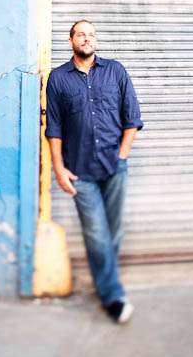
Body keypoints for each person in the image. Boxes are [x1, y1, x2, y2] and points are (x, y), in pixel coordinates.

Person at [45, 19, 143, 323]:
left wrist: (122, 156)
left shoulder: (116, 71)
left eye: (91, 34)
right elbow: (54, 128)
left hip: (114, 167)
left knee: (113, 232)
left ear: (95, 40)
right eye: (80, 34)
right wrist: (59, 168)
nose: (86, 38)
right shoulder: (58, 79)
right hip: (80, 171)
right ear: (71, 40)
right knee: (97, 235)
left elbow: (132, 117)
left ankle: (105, 283)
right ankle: (112, 296)